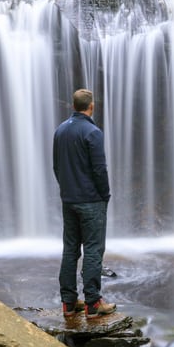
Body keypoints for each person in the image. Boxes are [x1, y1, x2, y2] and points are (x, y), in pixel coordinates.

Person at [52, 88, 117, 318]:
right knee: (93, 250)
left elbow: (56, 166)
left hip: (69, 200)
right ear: (91, 106)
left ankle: (68, 303)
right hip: (91, 200)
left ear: (73, 106)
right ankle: (92, 303)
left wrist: (66, 189)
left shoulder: (60, 131)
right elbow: (99, 169)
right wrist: (105, 194)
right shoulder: (92, 132)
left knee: (70, 250)